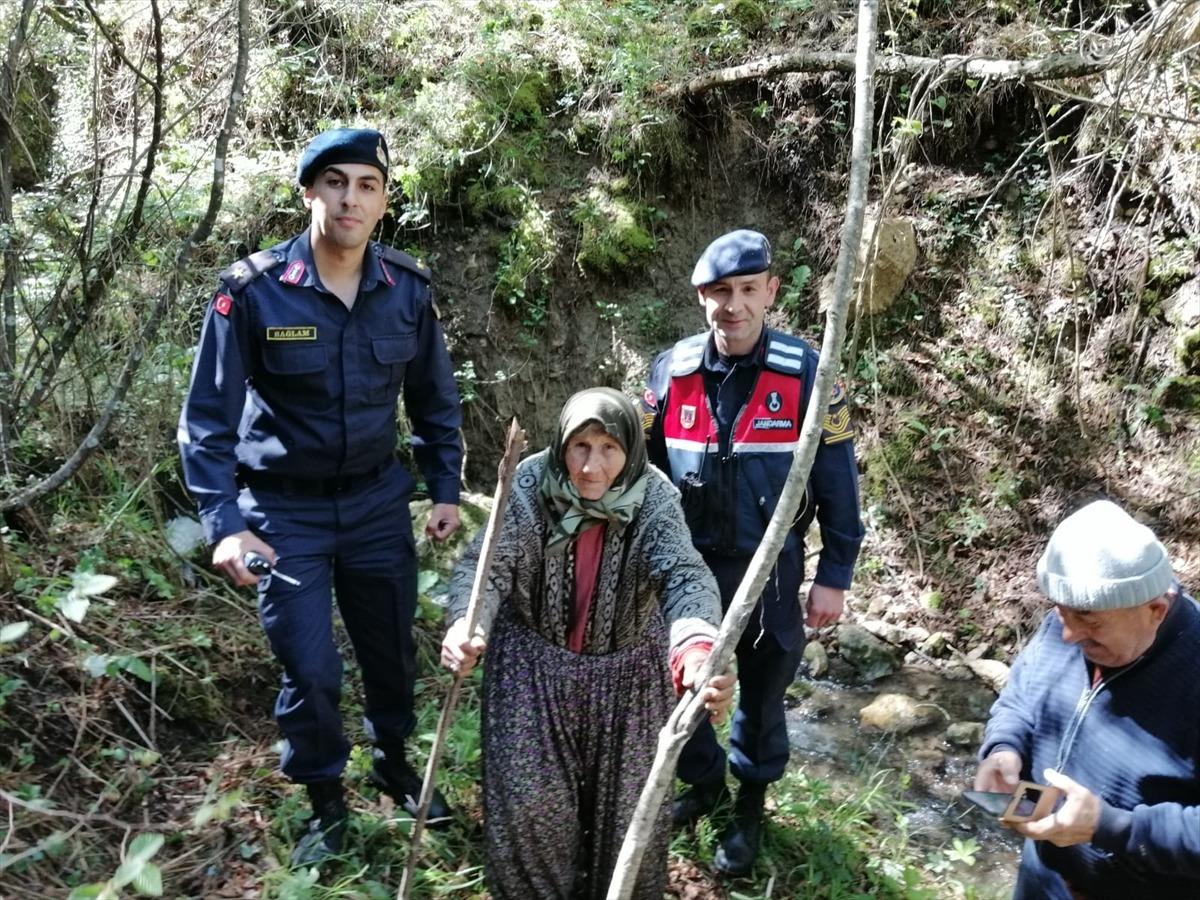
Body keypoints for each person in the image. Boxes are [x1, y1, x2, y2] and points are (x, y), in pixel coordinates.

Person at [178, 127, 463, 865]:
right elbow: (207, 419)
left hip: (375, 506)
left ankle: (393, 763)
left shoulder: (407, 289)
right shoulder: (253, 290)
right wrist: (225, 523)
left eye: (367, 186)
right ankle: (326, 802)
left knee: (391, 652)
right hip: (284, 512)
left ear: (384, 201)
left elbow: (434, 399)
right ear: (308, 192)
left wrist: (445, 487)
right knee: (309, 667)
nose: (349, 199)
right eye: (335, 182)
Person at [440, 387, 736, 899]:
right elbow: (486, 568)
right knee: (531, 813)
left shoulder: (654, 496)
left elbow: (684, 575)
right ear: (561, 443)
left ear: (630, 449)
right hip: (532, 671)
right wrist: (467, 625)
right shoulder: (529, 484)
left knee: (629, 820)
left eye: (608, 448)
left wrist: (697, 651)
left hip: (629, 677)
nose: (590, 467)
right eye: (579, 446)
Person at [641, 229, 864, 875]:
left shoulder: (810, 374)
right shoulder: (671, 370)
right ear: (701, 297)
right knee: (679, 685)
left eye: (746, 290)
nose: (732, 305)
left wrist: (835, 573)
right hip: (686, 571)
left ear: (771, 291)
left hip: (770, 569)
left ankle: (749, 808)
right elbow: (645, 474)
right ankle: (705, 781)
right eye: (719, 292)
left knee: (763, 696)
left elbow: (838, 482)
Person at [975, 499, 1200, 899]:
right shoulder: (1070, 620)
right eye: (1060, 613)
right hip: (1042, 879)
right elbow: (1020, 697)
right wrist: (1004, 747)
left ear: (1156, 610)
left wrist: (1112, 826)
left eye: (1089, 622)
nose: (1067, 635)